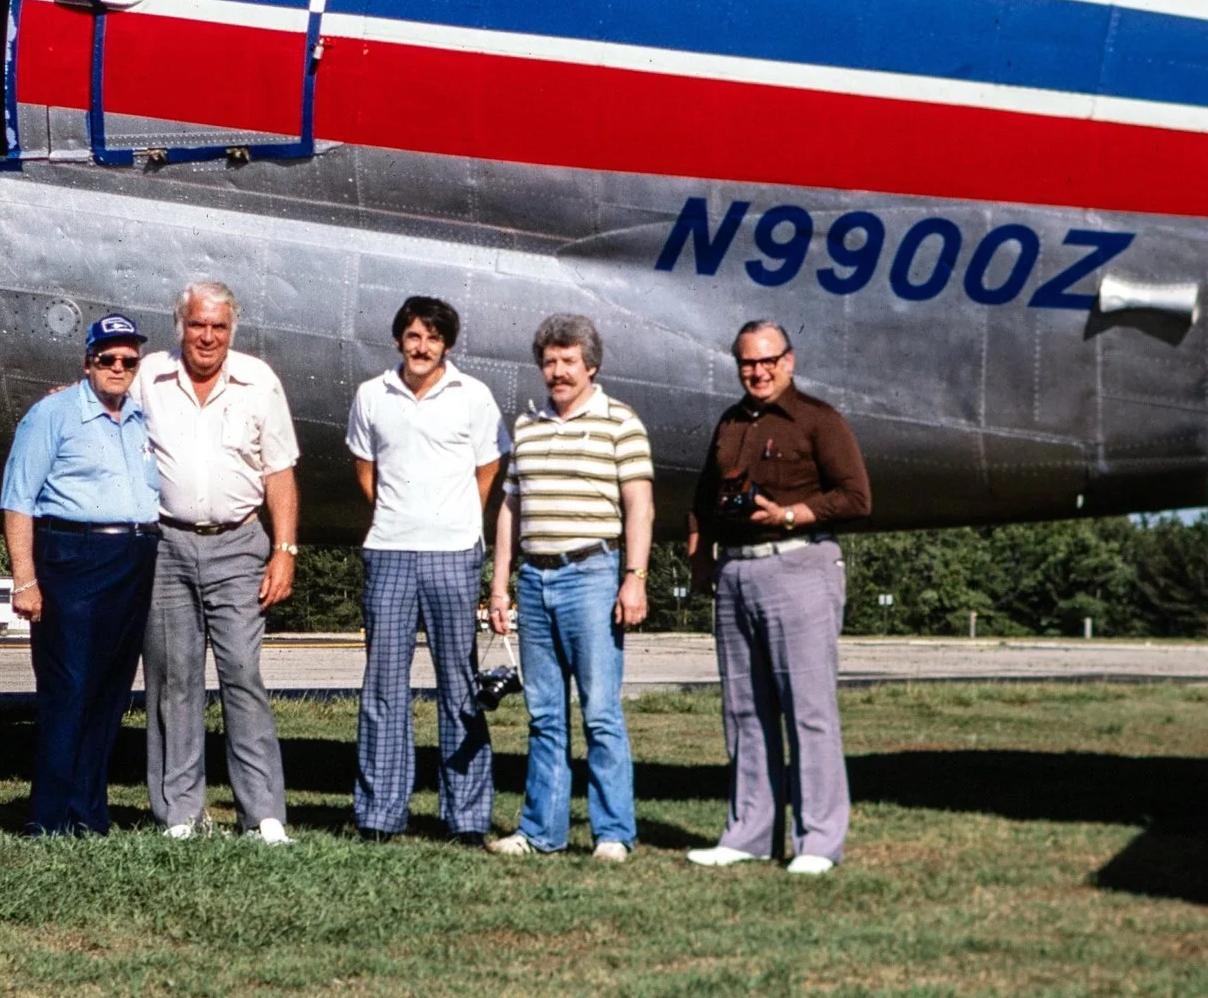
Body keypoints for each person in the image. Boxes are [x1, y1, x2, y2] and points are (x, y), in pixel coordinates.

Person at [684, 319, 872, 875]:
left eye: (768, 361)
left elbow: (857, 497)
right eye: (748, 362)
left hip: (800, 565)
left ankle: (817, 842)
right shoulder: (729, 421)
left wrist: (790, 514)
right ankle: (747, 834)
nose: (758, 372)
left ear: (788, 361)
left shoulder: (819, 419)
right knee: (744, 710)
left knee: (808, 710)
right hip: (737, 573)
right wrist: (700, 562)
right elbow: (702, 499)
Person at [138, 280, 301, 844]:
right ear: (179, 325)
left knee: (242, 675)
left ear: (232, 330)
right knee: (172, 681)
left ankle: (263, 816)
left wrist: (284, 551)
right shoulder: (148, 377)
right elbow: (105, 410)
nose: (207, 337)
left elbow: (279, 471)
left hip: (239, 543)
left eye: (219, 327)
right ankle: (180, 814)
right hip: (165, 545)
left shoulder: (259, 382)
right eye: (197, 325)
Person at [487, 314, 654, 863]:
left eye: (568, 362)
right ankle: (540, 832)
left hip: (594, 574)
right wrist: (500, 584)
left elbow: (639, 506)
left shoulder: (620, 422)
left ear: (591, 366)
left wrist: (634, 578)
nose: (557, 372)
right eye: (550, 362)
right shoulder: (527, 425)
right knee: (544, 715)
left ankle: (612, 834)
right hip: (534, 579)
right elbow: (512, 507)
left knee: (601, 712)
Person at [344, 294, 508, 843]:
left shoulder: (474, 396)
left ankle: (465, 819)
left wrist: (454, 522)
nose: (422, 347)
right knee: (383, 687)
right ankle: (379, 816)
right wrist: (399, 518)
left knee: (458, 685)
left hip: (455, 554)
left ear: (447, 346)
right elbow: (366, 470)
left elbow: (488, 469)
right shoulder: (372, 395)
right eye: (413, 336)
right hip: (389, 551)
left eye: (433, 338)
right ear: (399, 340)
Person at [0, 313, 163, 837]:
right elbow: (18, 499)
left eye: (128, 360)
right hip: (73, 556)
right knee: (67, 688)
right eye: (107, 359)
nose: (118, 367)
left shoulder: (139, 418)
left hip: (132, 559)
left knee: (110, 693)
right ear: (88, 362)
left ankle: (89, 815)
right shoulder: (52, 413)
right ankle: (49, 818)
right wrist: (25, 580)